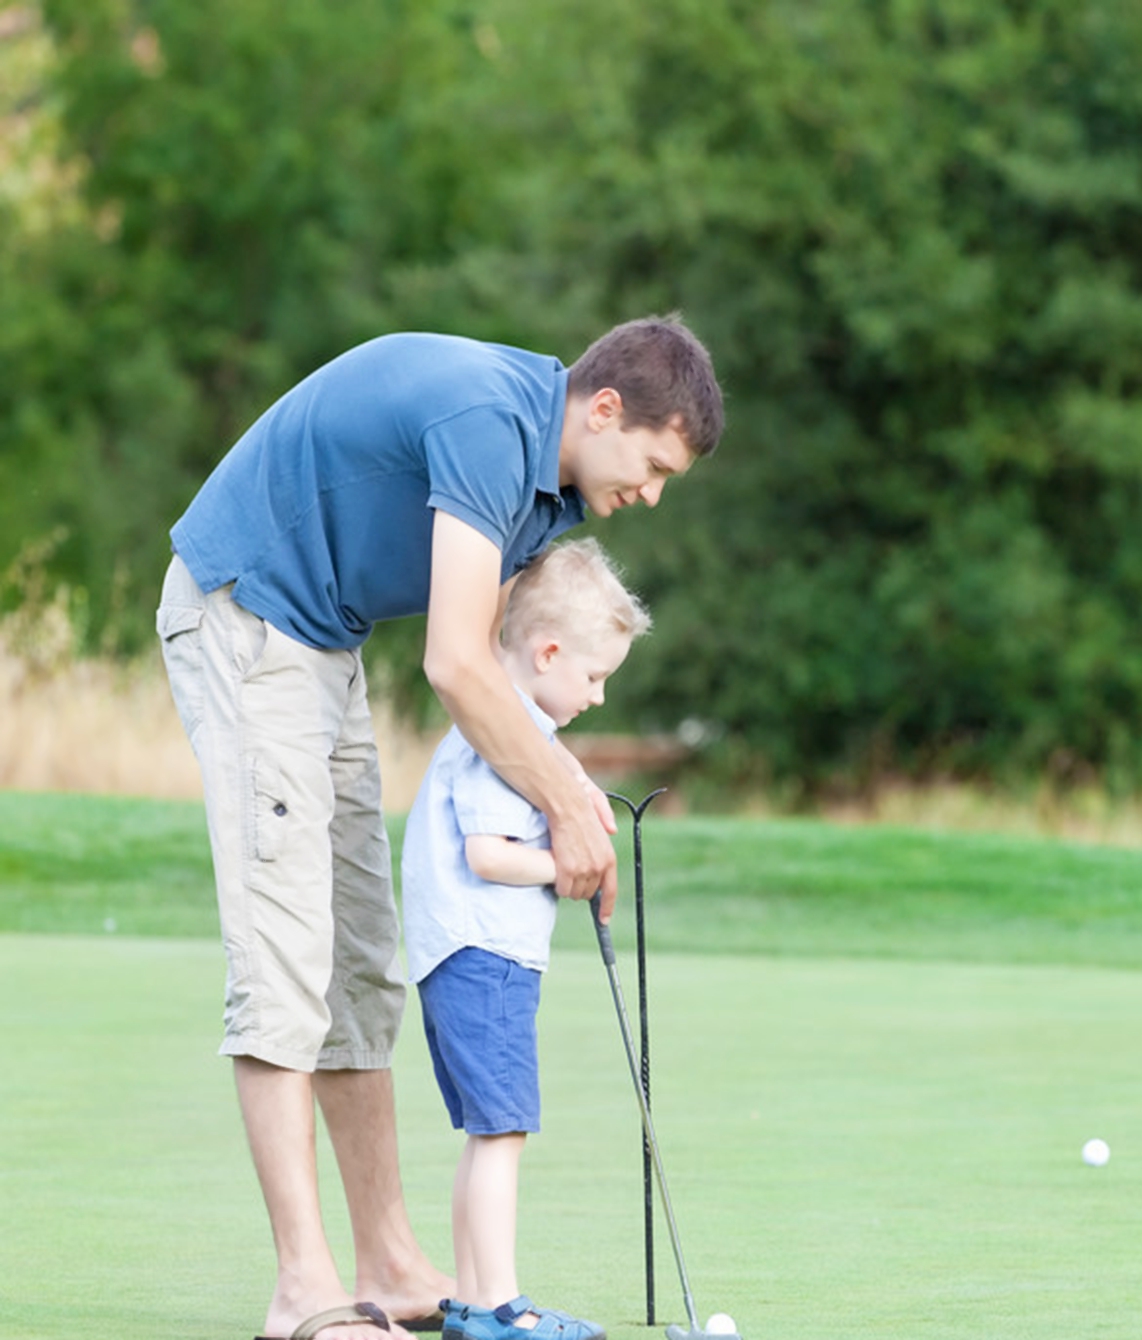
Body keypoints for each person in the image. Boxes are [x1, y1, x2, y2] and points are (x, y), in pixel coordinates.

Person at [156, 316, 724, 1340]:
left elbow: (505, 678)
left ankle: (391, 1260)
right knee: (288, 952)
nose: (649, 493)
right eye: (649, 464)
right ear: (603, 410)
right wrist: (559, 797)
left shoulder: (544, 497)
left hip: (321, 642)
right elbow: (456, 663)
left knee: (363, 961)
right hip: (244, 613)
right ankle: (302, 1288)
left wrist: (571, 787)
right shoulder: (491, 427)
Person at [402, 538, 647, 1340]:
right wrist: (562, 862)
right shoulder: (500, 738)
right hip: (484, 957)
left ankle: (474, 1304)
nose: (599, 697)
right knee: (503, 1130)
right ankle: (504, 1306)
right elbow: (487, 855)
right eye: (593, 676)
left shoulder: (511, 732)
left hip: (466, 956)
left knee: (486, 1134)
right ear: (546, 653)